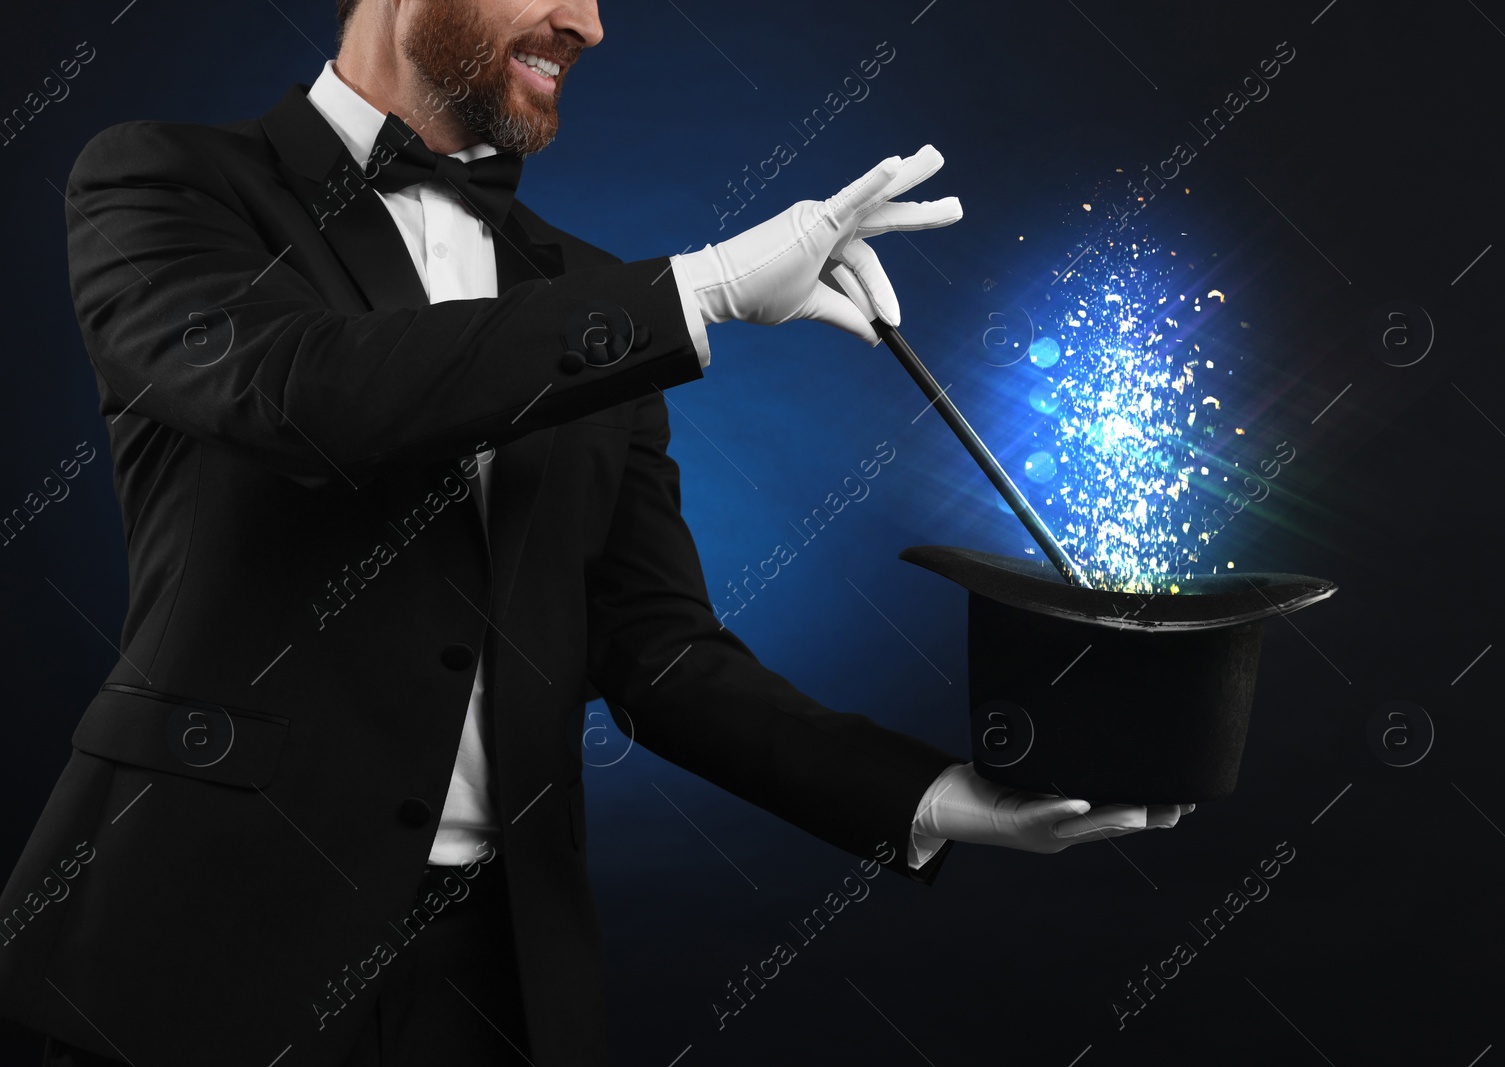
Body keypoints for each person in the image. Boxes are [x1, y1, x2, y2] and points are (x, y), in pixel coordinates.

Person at [0, 2, 1189, 1064]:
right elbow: (294, 393)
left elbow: (653, 649)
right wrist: (700, 288)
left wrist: (933, 794)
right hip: (181, 952)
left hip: (497, 981)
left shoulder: (587, 287)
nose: (590, 23)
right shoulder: (164, 181)